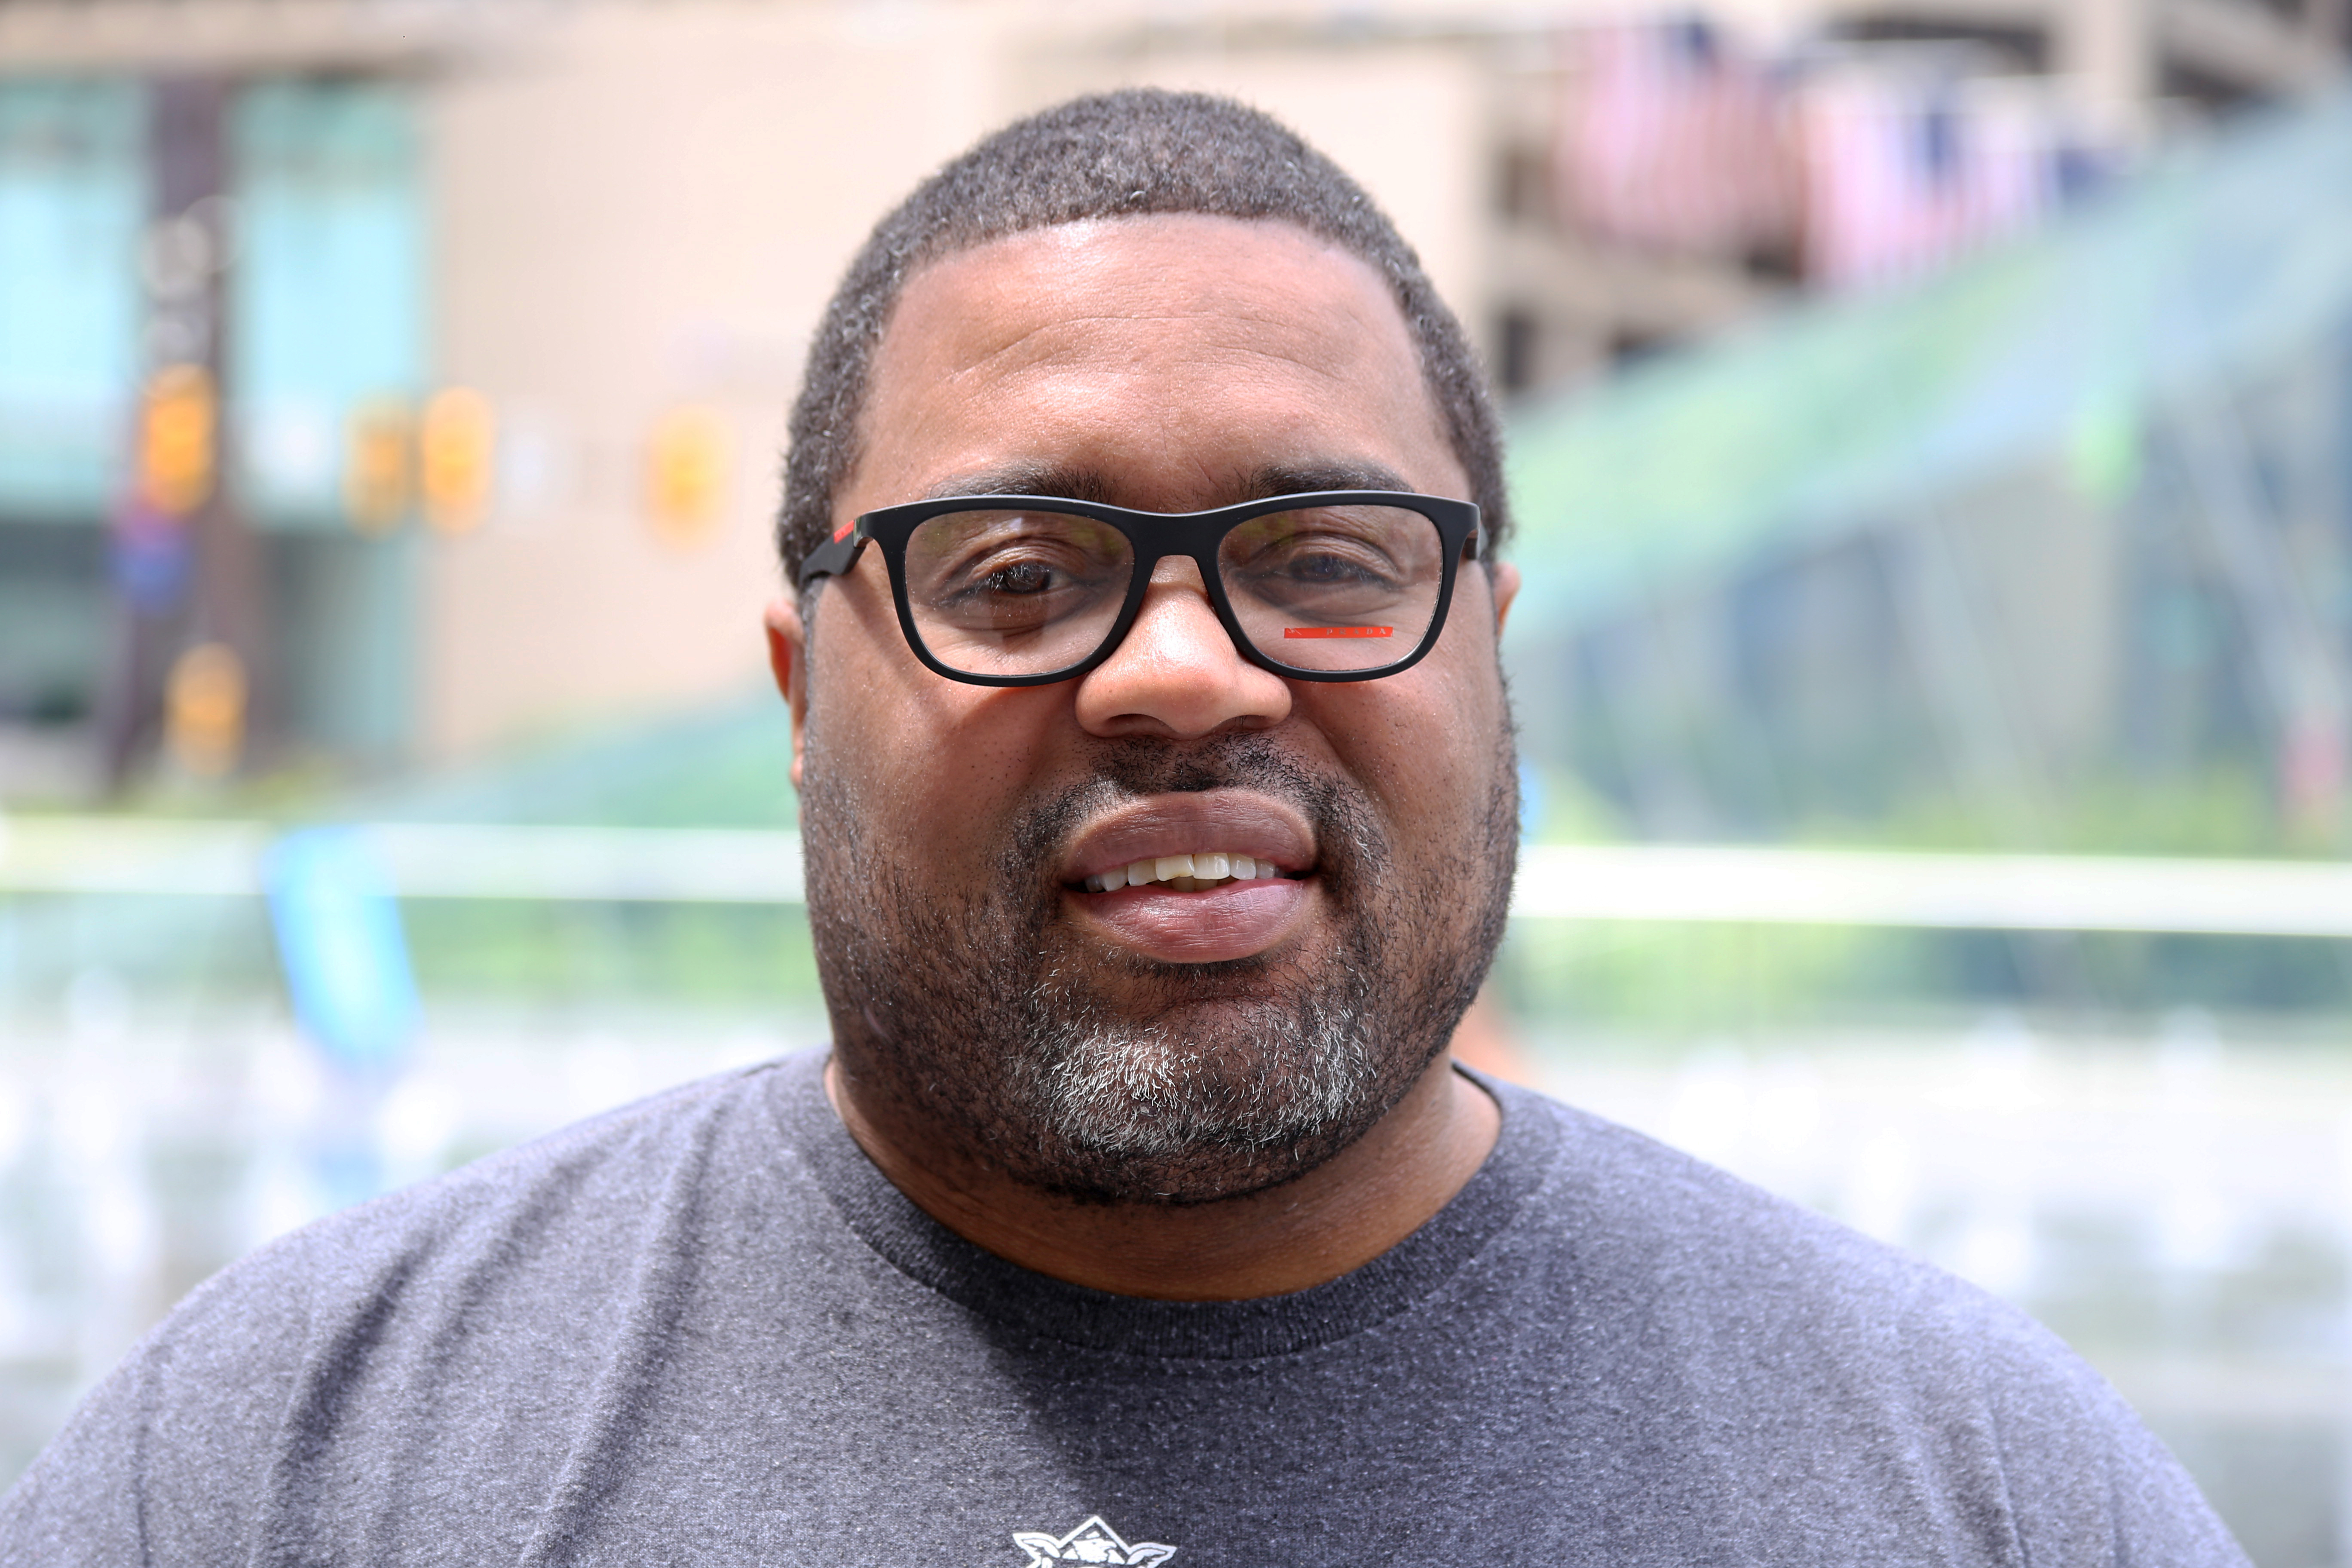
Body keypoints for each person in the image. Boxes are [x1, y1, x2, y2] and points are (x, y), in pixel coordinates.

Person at [3, 90, 2244, 1566]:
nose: (1185, 671)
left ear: (1493, 652)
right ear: (800, 698)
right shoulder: (297, 1467)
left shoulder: (1985, 1497)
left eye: (1332, 558)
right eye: (1015, 577)